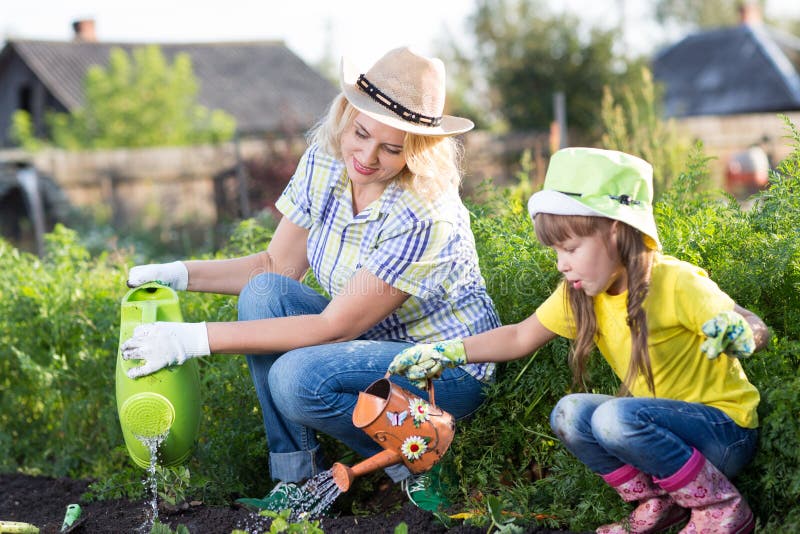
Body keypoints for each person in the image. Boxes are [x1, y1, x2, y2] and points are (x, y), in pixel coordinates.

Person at [120, 46, 500, 512]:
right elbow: (272, 268)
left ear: (418, 151)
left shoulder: (425, 211)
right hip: (370, 341)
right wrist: (178, 273)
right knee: (265, 293)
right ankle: (299, 479)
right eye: (361, 134)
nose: (366, 156)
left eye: (391, 148)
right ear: (347, 115)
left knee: (296, 378)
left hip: (445, 366)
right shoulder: (326, 163)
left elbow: (334, 328)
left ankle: (418, 459)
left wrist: (191, 339)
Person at [389, 147, 768, 534]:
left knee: (614, 416)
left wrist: (743, 333)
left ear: (617, 232)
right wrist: (448, 352)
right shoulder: (581, 293)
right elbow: (520, 335)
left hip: (725, 435)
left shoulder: (674, 282)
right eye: (556, 251)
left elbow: (749, 322)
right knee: (569, 413)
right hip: (668, 436)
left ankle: (722, 507)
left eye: (571, 248)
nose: (561, 263)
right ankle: (656, 503)